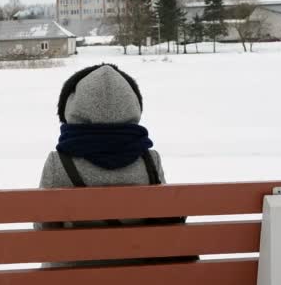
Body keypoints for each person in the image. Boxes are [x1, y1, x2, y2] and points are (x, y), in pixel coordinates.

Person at [35, 63, 196, 267]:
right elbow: (163, 222)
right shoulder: (150, 161)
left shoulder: (58, 163)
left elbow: (42, 234)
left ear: (71, 108)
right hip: (140, 276)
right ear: (134, 106)